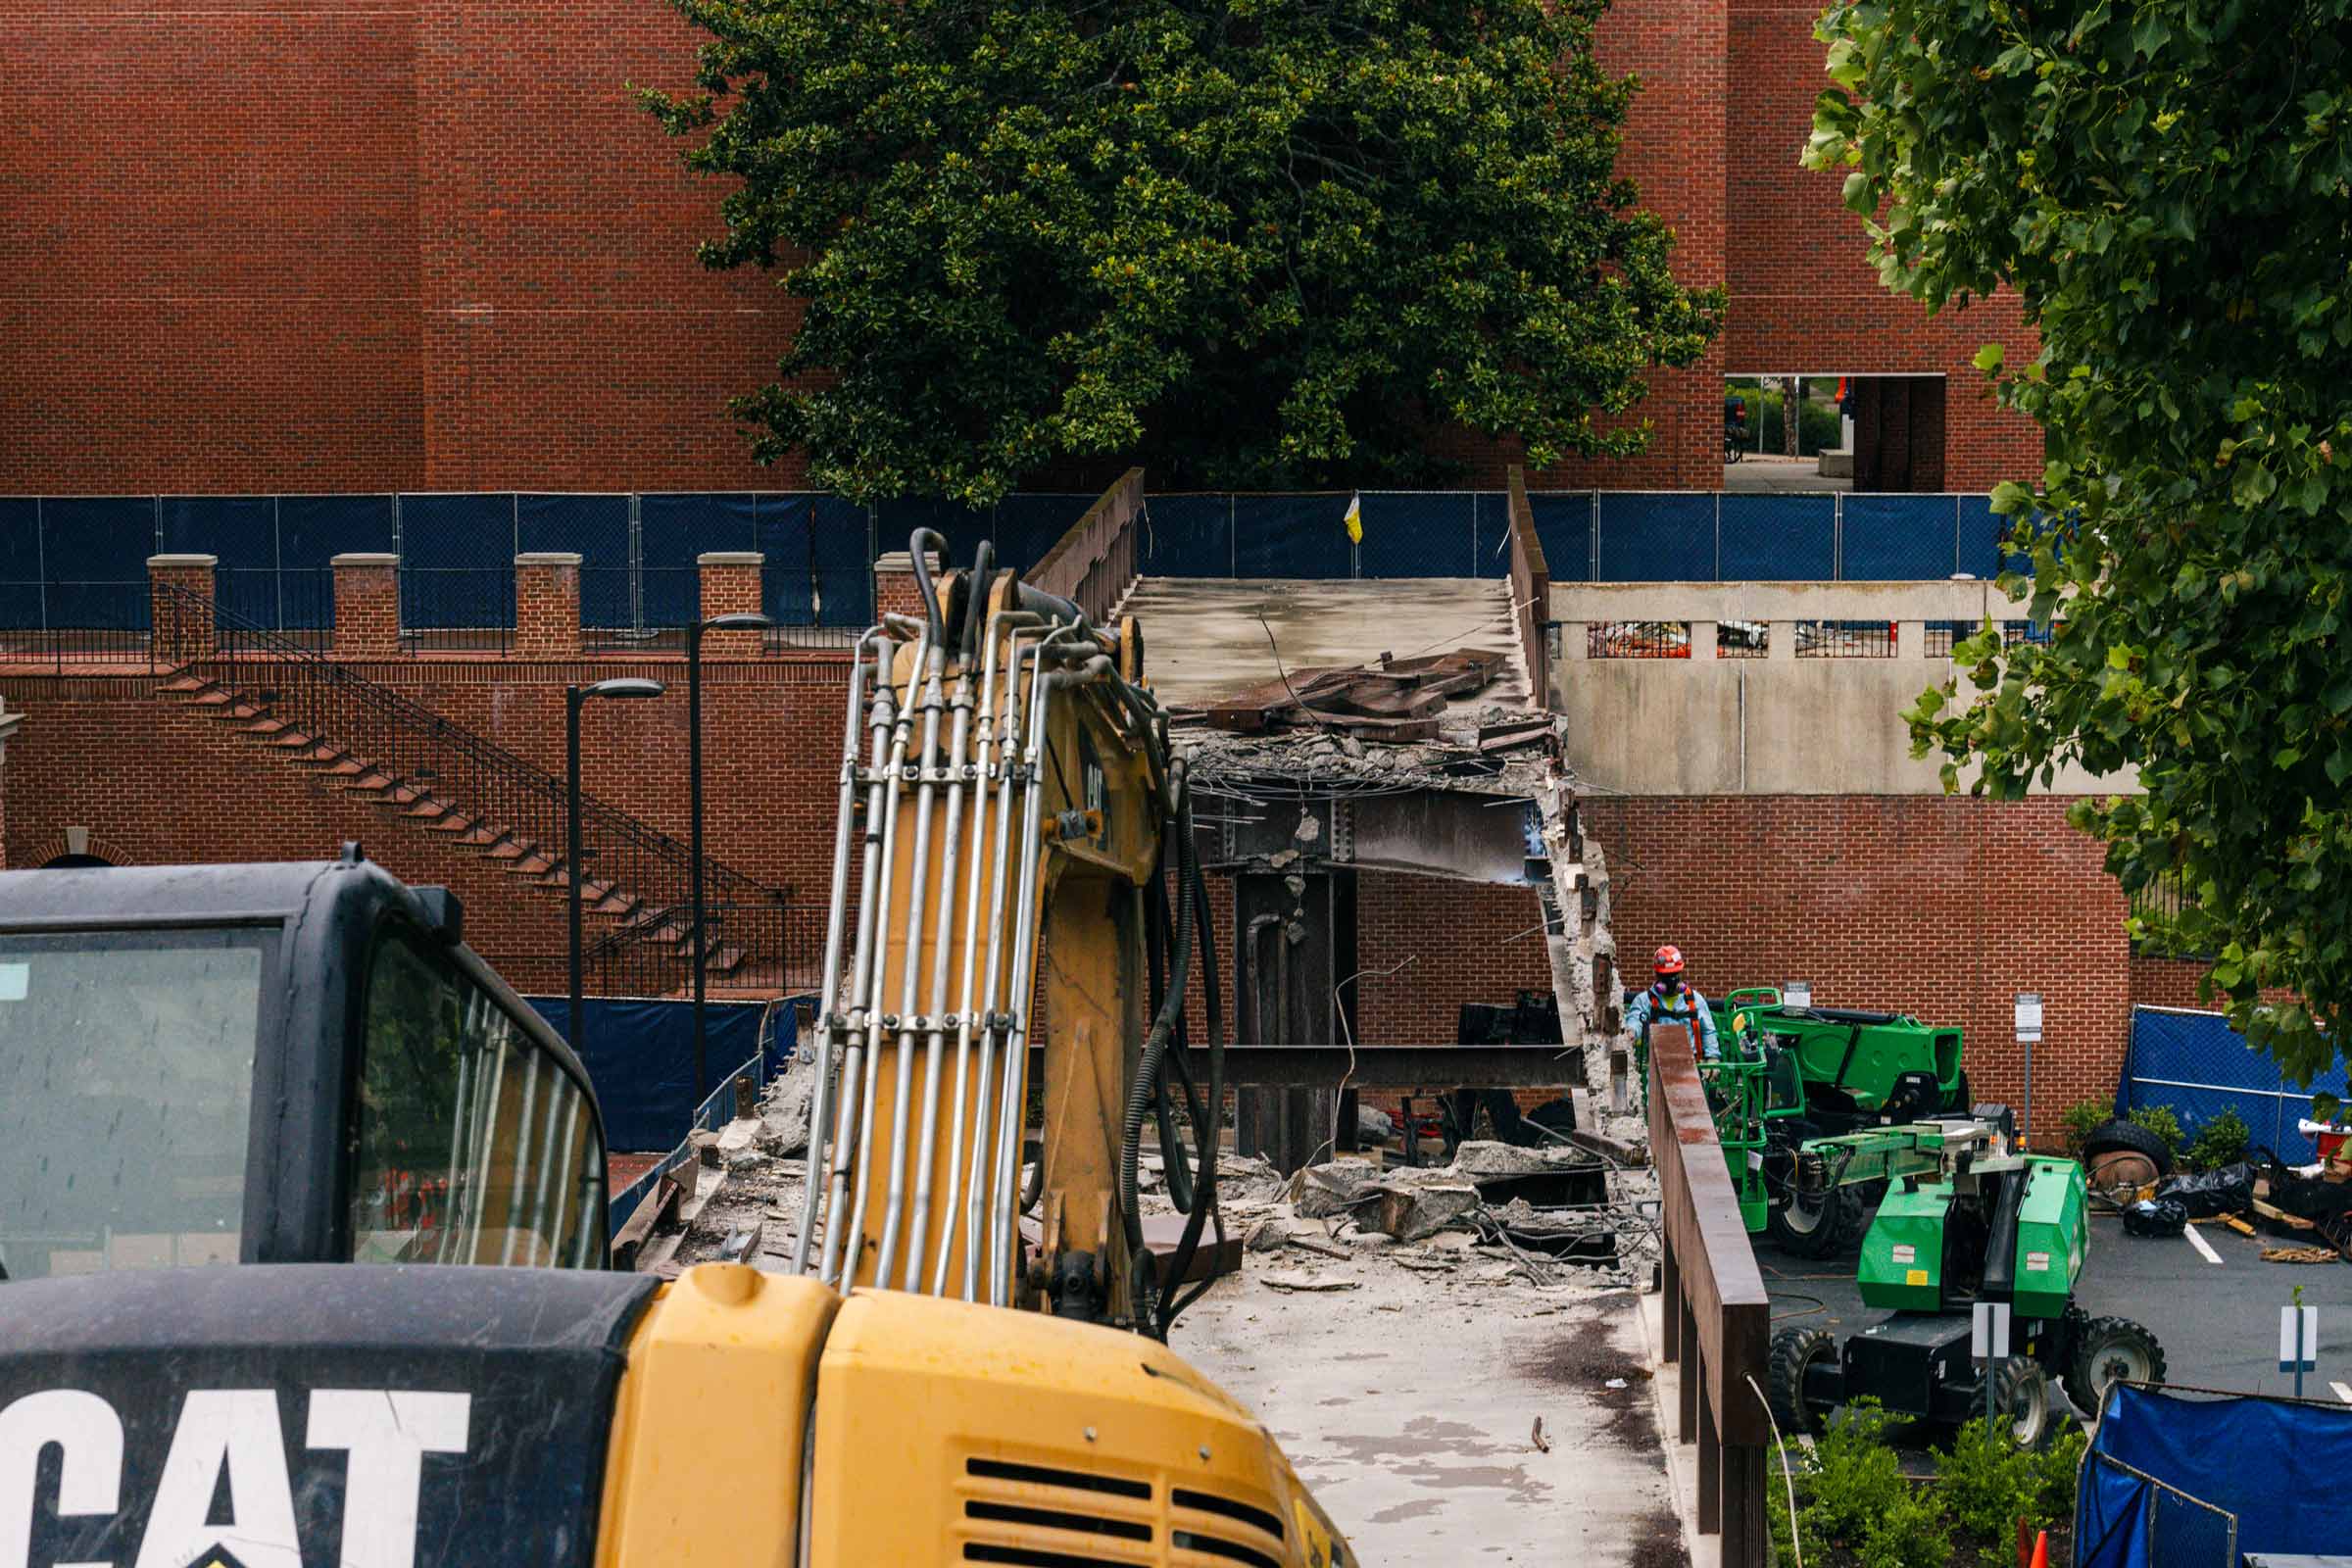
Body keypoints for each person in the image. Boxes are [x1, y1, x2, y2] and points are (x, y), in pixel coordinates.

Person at [1625, 944, 1720, 1061]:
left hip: (1691, 1066)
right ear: (1657, 975)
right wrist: (1632, 1031)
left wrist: (1712, 1057)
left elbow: (1708, 1031)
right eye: (1666, 976)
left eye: (1674, 975)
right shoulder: (1644, 1000)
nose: (1671, 981)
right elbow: (1635, 1018)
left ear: (1681, 973)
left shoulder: (1695, 1001)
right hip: (1657, 1067)